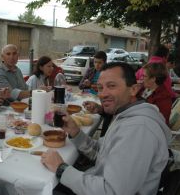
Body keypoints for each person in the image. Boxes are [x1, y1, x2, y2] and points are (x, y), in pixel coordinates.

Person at [41, 62, 171, 195]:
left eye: (111, 86)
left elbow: (111, 191)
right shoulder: (125, 115)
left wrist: (61, 169)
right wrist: (75, 132)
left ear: (134, 89)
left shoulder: (138, 129)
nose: (102, 94)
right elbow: (101, 154)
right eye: (100, 87)